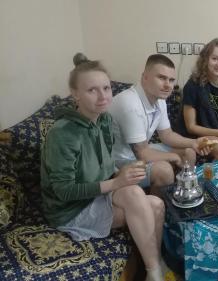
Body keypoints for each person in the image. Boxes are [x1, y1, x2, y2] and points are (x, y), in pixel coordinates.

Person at [41, 53, 166, 281]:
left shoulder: (104, 120)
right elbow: (63, 191)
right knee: (137, 195)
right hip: (70, 210)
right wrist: (117, 182)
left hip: (98, 196)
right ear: (75, 94)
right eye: (92, 90)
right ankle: (155, 270)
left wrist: (124, 173)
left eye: (107, 88)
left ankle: (152, 267)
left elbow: (106, 167)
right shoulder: (63, 133)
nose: (103, 97)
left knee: (156, 203)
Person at [108, 54, 211, 196]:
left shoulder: (159, 99)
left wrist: (194, 143)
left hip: (138, 152)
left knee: (189, 152)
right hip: (117, 162)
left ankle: (184, 195)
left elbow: (167, 135)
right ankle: (157, 207)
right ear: (145, 77)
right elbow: (143, 154)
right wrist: (173, 157)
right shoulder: (130, 104)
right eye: (161, 78)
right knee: (164, 170)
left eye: (171, 80)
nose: (168, 85)